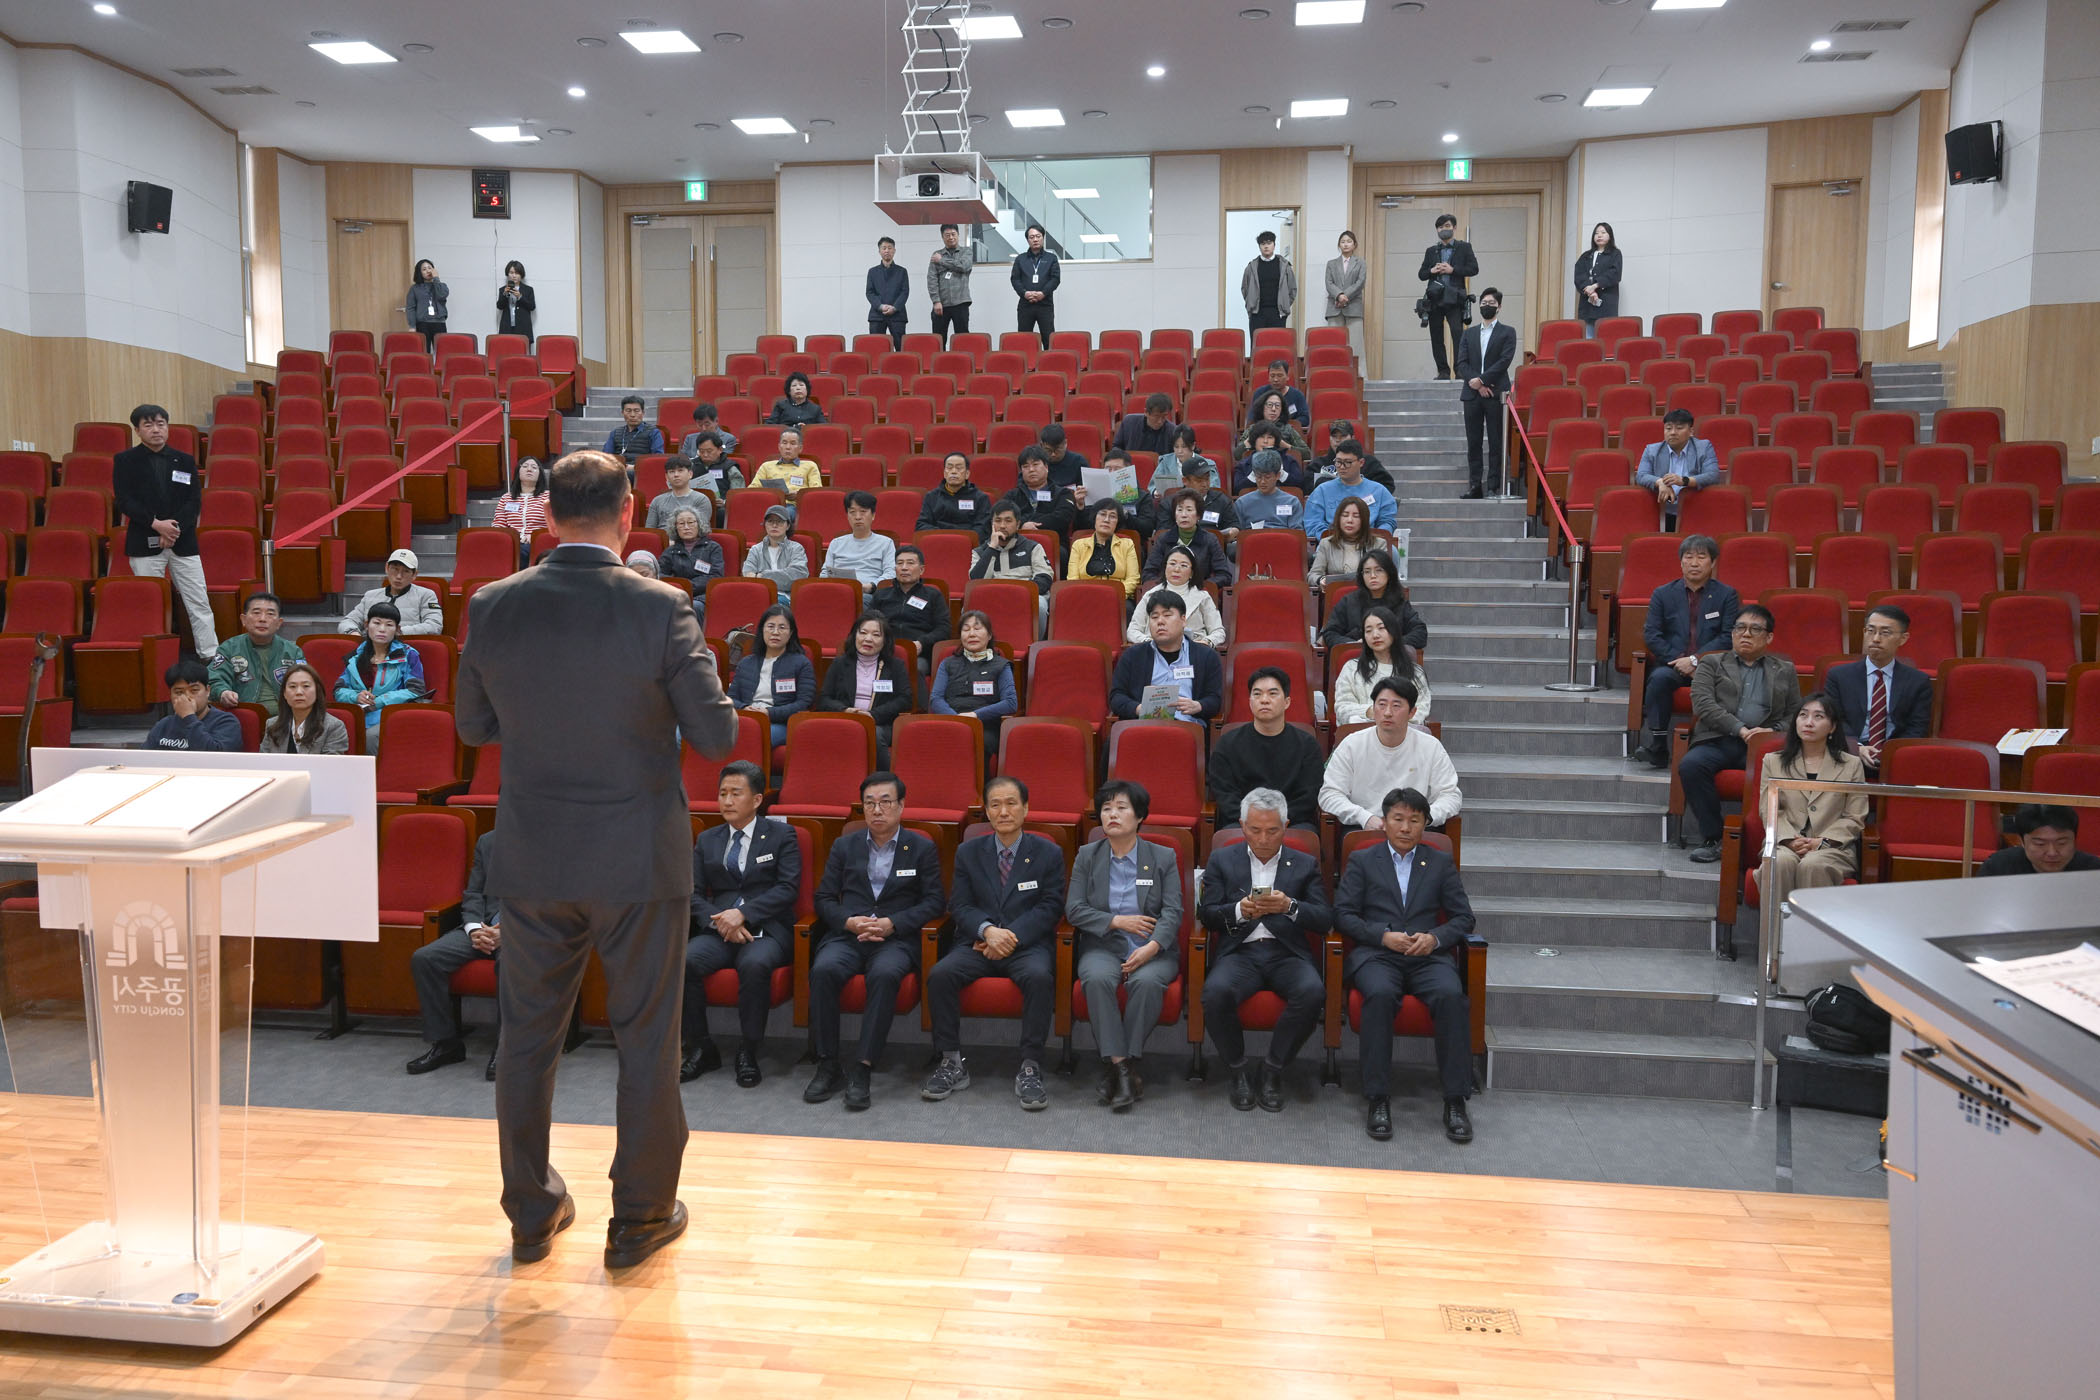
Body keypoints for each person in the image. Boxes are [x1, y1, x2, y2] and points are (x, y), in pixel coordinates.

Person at [455, 448, 738, 1270]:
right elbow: (716, 736)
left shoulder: (492, 603)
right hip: (638, 859)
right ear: (630, 511)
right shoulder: (662, 606)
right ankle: (640, 1218)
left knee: (526, 1040)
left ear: (546, 514)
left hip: (534, 855)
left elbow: (472, 727)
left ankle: (530, 1212)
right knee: (647, 1039)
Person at [1334, 786, 1476, 1143]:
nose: (1405, 827)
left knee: (1450, 996)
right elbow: (1343, 915)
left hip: (1427, 956)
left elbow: (1463, 918)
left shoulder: (1439, 862)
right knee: (1380, 995)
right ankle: (1377, 1098)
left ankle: (1455, 1100)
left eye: (1414, 820)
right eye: (1398, 819)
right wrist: (1382, 936)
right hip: (1378, 954)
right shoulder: (1363, 860)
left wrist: (1435, 938)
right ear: (1384, 822)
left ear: (1425, 824)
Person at [805, 772, 947, 1110]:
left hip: (895, 939)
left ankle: (863, 1067)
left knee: (884, 975)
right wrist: (849, 921)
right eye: (869, 803)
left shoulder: (921, 847)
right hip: (849, 935)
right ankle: (828, 1064)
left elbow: (934, 902)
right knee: (823, 970)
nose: (877, 810)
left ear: (901, 806)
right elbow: (824, 898)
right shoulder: (845, 845)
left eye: (885, 802)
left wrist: (893, 924)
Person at [922, 776, 1066, 1110]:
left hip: (1026, 944)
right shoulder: (969, 852)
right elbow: (959, 905)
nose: (1004, 811)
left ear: (1026, 808)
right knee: (941, 974)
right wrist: (988, 931)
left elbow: (1050, 906)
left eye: (1011, 803)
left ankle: (1030, 1066)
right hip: (978, 942)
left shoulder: (1048, 852)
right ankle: (951, 1061)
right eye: (995, 805)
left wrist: (1009, 936)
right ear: (986, 811)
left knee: (1039, 977)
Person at [1198, 789, 1332, 1111]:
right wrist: (1239, 910)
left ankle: (1273, 1069)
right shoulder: (1222, 859)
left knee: (1312, 992)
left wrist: (1290, 907)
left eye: (1272, 831)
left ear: (1286, 826)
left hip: (1286, 952)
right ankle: (1238, 1070)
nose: (1263, 839)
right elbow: (1207, 915)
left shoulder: (1305, 864)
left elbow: (1324, 918)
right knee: (1215, 993)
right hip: (1240, 952)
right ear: (1242, 825)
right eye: (1255, 830)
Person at [1066, 781, 1183, 1111]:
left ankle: (1117, 1070)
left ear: (1140, 816)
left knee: (1147, 983)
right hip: (1103, 944)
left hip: (1153, 949)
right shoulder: (1088, 856)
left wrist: (1153, 946)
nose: (1112, 815)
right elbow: (1074, 909)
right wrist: (1116, 921)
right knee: (1096, 979)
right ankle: (1123, 1069)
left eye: (1121, 808)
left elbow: (1173, 911)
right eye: (1106, 809)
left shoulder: (1162, 856)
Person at [681, 761, 800, 1088]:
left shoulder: (782, 835)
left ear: (757, 799)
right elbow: (692, 893)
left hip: (767, 929)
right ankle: (701, 1047)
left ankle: (748, 1049)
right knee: (685, 962)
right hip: (719, 928)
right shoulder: (708, 839)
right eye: (722, 794)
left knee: (754, 965)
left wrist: (743, 914)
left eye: (736, 793)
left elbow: (787, 888)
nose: (727, 801)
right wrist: (721, 921)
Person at [1682, 603, 1801, 862]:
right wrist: (1741, 729)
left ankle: (1776, 841)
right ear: (1732, 633)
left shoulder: (1784, 669)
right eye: (1740, 628)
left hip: (1766, 745)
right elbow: (1703, 704)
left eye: (1755, 629)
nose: (1746, 634)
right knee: (1691, 765)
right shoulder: (1712, 662)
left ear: (1769, 637)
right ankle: (1714, 838)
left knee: (1794, 769)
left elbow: (1795, 714)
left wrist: (1770, 731)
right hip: (1719, 740)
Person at [114, 402, 217, 657]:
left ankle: (210, 656)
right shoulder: (125, 461)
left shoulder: (185, 460)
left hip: (183, 541)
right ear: (137, 430)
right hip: (144, 540)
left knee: (199, 601)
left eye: (161, 424)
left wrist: (172, 530)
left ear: (168, 427)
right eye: (148, 425)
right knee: (150, 604)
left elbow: (194, 501)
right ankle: (157, 658)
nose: (156, 430)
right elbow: (125, 501)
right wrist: (156, 525)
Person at [1633, 534, 1739, 769]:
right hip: (1673, 665)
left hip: (1713, 667)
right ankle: (1658, 746)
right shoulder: (1663, 594)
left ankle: (1713, 746)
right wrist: (1680, 661)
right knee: (1658, 679)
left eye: (1701, 557)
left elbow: (1728, 636)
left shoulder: (1727, 595)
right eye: (1688, 557)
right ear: (1681, 562)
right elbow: (1652, 634)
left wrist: (1696, 660)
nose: (1694, 563)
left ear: (1713, 562)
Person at [1758, 692, 1868, 911]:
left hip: (1833, 847)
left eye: (1818, 716)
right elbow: (1768, 809)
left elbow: (1854, 816)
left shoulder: (1851, 765)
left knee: (1813, 864)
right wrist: (1789, 840)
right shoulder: (1773, 761)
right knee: (1780, 862)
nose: (1809, 722)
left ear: (1832, 727)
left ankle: (1810, 933)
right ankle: (1776, 932)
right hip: (1784, 842)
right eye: (1803, 715)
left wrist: (1822, 842)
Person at [408, 829, 502, 1078]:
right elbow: (473, 894)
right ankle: (446, 1044)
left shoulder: (548, 841)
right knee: (426, 959)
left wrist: (510, 930)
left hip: (524, 932)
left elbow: (551, 901)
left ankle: (508, 1048)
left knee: (512, 962)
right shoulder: (488, 841)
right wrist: (474, 929)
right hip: (482, 927)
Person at [1319, 677, 1461, 830]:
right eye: (1381, 705)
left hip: (1416, 830)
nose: (1387, 713)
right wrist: (1364, 817)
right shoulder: (1351, 745)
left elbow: (1450, 795)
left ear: (1412, 712)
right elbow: (1329, 794)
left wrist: (1422, 818)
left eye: (1396, 706)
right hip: (1365, 827)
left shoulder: (1430, 747)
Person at [1208, 666, 1324, 830]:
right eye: (1257, 694)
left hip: (1291, 823)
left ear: (1287, 702)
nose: (1264, 700)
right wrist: (1253, 821)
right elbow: (1224, 794)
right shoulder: (1227, 744)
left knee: (1306, 834)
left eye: (1272, 693)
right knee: (1228, 835)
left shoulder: (1307, 745)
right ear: (1250, 702)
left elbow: (1308, 797)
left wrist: (1277, 821)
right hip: (1242, 823)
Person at [1826, 605, 1934, 776]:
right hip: (1848, 753)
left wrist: (1889, 753)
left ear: (1903, 638)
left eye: (1885, 633)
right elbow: (1835, 720)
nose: (1875, 639)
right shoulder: (1839, 676)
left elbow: (1917, 728)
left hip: (1895, 756)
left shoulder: (1917, 681)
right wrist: (1856, 747)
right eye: (1871, 631)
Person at [1109, 591, 1223, 725]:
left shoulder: (1206, 656)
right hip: (1143, 726)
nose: (1160, 622)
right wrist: (1139, 709)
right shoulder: (1133, 655)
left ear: (1183, 620)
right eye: (1154, 617)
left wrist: (1198, 706)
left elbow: (1214, 699)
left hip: (1186, 726)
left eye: (1167, 615)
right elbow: (1116, 697)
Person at [813, 611, 915, 759]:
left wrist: (873, 715)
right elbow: (824, 699)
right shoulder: (840, 663)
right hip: (845, 720)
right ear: (854, 635)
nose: (868, 639)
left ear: (885, 641)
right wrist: (845, 710)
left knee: (874, 734)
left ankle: (882, 774)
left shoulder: (895, 666)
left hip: (881, 724)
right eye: (863, 633)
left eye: (876, 635)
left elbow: (905, 699)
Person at [1454, 286, 1516, 499]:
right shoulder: (1468, 333)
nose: (1486, 306)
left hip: (1496, 393)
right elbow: (1461, 363)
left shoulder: (1508, 332)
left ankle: (1493, 486)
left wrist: (1483, 380)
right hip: (1472, 394)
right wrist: (1477, 384)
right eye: (1483, 303)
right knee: (1474, 442)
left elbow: (1504, 361)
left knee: (1496, 441)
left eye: (1491, 303)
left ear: (1499, 307)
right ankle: (1475, 485)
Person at [334, 601, 425, 741]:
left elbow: (416, 690)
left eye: (389, 625)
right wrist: (356, 696)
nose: (382, 629)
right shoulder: (355, 656)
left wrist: (381, 701)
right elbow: (339, 690)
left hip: (391, 714)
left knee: (371, 736)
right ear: (366, 625)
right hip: (359, 714)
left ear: (397, 629)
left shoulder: (408, 655)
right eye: (376, 623)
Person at [929, 609, 1018, 750]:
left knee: (977, 741)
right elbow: (936, 699)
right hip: (951, 722)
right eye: (966, 630)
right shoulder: (947, 663)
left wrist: (975, 715)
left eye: (977, 629)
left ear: (989, 635)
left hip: (985, 725)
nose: (971, 634)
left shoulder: (1001, 665)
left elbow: (1010, 703)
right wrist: (956, 719)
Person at [728, 604, 814, 747]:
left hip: (780, 723)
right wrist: (745, 708)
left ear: (791, 633)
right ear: (762, 630)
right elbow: (731, 698)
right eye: (770, 626)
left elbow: (803, 703)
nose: (775, 632)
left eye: (782, 627)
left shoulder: (801, 663)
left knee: (755, 737)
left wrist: (769, 713)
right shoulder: (746, 663)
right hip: (746, 718)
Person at [1334, 606, 1434, 726]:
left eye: (1381, 628)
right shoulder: (1351, 668)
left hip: (1403, 733)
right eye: (1368, 630)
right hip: (1361, 733)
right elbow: (1342, 709)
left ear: (1394, 631)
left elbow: (1421, 710)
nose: (1375, 635)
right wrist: (1371, 711)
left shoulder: (1415, 672)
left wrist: (1390, 720)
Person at [209, 591, 303, 715]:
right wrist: (223, 692)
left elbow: (305, 682)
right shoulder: (229, 648)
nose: (262, 619)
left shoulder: (293, 651)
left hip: (286, 716)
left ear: (279, 623)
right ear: (243, 619)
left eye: (270, 614)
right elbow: (214, 678)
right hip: (244, 715)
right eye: (256, 613)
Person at [1318, 549, 1425, 653]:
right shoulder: (1348, 601)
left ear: (1389, 573)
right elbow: (1330, 633)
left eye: (1379, 570)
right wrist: (1353, 645)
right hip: (1356, 657)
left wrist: (1390, 643)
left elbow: (1420, 632)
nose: (1373, 576)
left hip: (1391, 658)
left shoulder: (1399, 602)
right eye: (1367, 571)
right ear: (1362, 575)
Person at [1635, 410, 1722, 526]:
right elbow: (1641, 476)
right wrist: (1660, 482)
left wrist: (1684, 480)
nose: (1673, 433)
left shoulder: (1703, 447)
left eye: (1679, 428)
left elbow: (1713, 475)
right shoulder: (1652, 450)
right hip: (1663, 511)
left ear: (1691, 431)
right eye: (1668, 428)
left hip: (1696, 510)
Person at [1417, 214, 1477, 380]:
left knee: (1458, 334)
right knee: (1436, 336)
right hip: (1434, 299)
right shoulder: (1431, 251)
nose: (1444, 229)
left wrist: (1453, 270)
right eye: (1441, 227)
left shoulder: (1464, 247)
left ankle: (1460, 370)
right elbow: (1421, 274)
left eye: (1448, 226)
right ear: (1437, 230)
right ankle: (1443, 371)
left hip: (1455, 298)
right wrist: (1431, 271)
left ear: (1454, 228)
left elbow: (1474, 269)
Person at [1302, 440, 1397, 541]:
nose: (1342, 467)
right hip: (1332, 542)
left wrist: (1374, 539)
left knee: (1391, 550)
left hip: (1370, 542)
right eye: (1338, 462)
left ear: (1361, 462)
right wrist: (1330, 538)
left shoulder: (1379, 491)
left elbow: (1388, 521)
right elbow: (1313, 523)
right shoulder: (1322, 491)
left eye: (1348, 462)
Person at [1129, 548, 1224, 648]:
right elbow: (1133, 630)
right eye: (1172, 564)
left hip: (1193, 649)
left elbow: (1218, 631)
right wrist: (1148, 641)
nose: (1176, 569)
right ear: (1165, 567)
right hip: (1155, 649)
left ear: (1192, 572)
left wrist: (1206, 642)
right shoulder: (1150, 595)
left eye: (1183, 565)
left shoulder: (1202, 597)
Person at [340, 548, 444, 637]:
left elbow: (434, 626)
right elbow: (347, 621)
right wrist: (353, 632)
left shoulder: (426, 595)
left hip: (406, 647)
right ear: (387, 568)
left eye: (406, 571)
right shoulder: (370, 596)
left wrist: (397, 632)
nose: (399, 576)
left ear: (414, 574)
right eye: (395, 569)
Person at [869, 545, 952, 656]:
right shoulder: (881, 595)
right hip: (884, 650)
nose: (904, 568)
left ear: (921, 569)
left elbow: (944, 629)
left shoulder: (933, 595)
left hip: (919, 652)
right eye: (900, 563)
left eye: (910, 563)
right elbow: (867, 623)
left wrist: (922, 643)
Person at [143, 658, 241, 752]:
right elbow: (144, 757)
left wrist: (188, 717)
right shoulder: (164, 725)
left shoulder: (226, 722)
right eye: (179, 692)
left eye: (194, 690)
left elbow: (214, 757)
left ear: (207, 691)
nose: (187, 697)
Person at [1141, 491, 1233, 589]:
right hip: (1167, 592)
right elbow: (1148, 573)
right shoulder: (1163, 539)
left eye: (1189, 510)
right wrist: (1167, 586)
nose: (1184, 515)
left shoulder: (1209, 540)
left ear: (1198, 515)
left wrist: (1199, 587)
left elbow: (1224, 575)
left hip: (1198, 591)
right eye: (1179, 510)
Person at [260, 661, 350, 755]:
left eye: (306, 686)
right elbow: (263, 761)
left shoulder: (333, 727)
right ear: (284, 693)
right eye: (292, 686)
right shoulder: (272, 725)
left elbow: (329, 763)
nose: (299, 692)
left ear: (317, 691)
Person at [1079, 447, 1163, 547]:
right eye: (1108, 469)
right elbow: (1082, 526)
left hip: (1129, 545)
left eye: (1117, 469)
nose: (1111, 473)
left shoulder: (1143, 497)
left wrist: (1125, 514)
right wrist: (1080, 507)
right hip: (1097, 543)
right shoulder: (1094, 493)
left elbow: (1147, 529)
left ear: (1128, 471)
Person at [1980, 806, 2100, 876]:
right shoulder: (1998, 868)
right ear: (2022, 841)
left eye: (2061, 843)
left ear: (2074, 840)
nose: (2052, 853)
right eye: (2040, 844)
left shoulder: (2094, 871)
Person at [972, 501, 1056, 598]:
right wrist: (991, 548)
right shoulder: (979, 552)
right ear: (992, 524)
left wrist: (1017, 593)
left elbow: (1045, 578)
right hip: (993, 597)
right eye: (998, 521)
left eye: (1008, 521)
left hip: (1027, 597)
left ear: (1017, 524)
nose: (1002, 526)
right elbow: (975, 582)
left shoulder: (1033, 548)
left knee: (1040, 603)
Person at [819, 490, 898, 587]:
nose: (857, 517)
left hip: (871, 592)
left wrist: (871, 586)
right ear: (847, 516)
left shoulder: (886, 543)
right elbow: (825, 573)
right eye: (852, 512)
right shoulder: (836, 543)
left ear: (873, 515)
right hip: (838, 590)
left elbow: (890, 574)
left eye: (863, 511)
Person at [1067, 499, 1143, 598]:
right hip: (1086, 596)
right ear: (1095, 517)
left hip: (1117, 597)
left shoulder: (1127, 544)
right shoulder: (1078, 545)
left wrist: (1112, 596)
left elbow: (1133, 579)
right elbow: (1073, 579)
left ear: (1117, 522)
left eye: (1112, 516)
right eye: (1102, 514)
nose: (1106, 520)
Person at [916, 451, 995, 538]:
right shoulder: (931, 497)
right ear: (944, 473)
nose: (953, 471)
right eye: (949, 468)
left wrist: (962, 539)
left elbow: (983, 528)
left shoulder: (981, 498)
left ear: (967, 474)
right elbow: (922, 525)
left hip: (968, 543)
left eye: (959, 468)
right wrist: (943, 536)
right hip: (938, 541)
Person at [1171, 456, 1244, 544]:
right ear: (1185, 481)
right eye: (1199, 480)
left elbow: (1234, 525)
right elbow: (1163, 532)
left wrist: (1233, 531)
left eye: (1207, 478)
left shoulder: (1221, 500)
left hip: (1215, 545)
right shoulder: (1172, 502)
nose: (1205, 484)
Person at [494, 457, 551, 564]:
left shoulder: (548, 497)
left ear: (540, 474)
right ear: (518, 472)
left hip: (537, 542)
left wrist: (536, 536)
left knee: (519, 553)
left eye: (534, 467)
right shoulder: (507, 498)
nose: (529, 469)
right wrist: (510, 539)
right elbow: (499, 524)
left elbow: (555, 524)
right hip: (512, 542)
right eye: (525, 466)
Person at [742, 504, 808, 597]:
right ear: (765, 525)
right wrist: (780, 577)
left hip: (787, 598)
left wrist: (762, 576)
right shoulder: (755, 550)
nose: (774, 525)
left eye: (779, 522)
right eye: (770, 521)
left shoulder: (796, 548)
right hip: (760, 596)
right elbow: (748, 576)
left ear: (788, 526)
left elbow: (797, 576)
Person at [1310, 496, 1376, 589]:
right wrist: (1321, 580)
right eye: (1345, 515)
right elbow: (1313, 575)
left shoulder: (1377, 544)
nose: (1350, 520)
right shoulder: (1326, 544)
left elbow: (1383, 574)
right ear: (1338, 518)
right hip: (1336, 594)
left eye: (1356, 516)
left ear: (1364, 520)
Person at [1240, 231, 1297, 336]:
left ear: (1274, 245)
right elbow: (1245, 288)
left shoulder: (1284, 266)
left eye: (1269, 243)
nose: (1266, 246)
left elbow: (1292, 289)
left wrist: (1284, 304)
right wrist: (1251, 304)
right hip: (1257, 314)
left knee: (1277, 343)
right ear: (1259, 246)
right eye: (1263, 244)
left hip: (1278, 313)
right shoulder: (1251, 267)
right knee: (1257, 343)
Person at [1011, 223, 1060, 347]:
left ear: (1043, 237)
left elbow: (1055, 279)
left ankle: (1049, 360)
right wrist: (1024, 293)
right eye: (1031, 237)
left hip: (1045, 304)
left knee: (1049, 340)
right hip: (1025, 304)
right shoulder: (1020, 259)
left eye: (1038, 236)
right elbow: (1015, 279)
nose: (1035, 239)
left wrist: (1043, 293)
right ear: (1028, 240)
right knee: (1024, 340)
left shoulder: (1051, 258)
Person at [1313, 419, 1395, 491]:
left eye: (1343, 436)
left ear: (1352, 438)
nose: (1338, 440)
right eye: (1334, 436)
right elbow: (1309, 488)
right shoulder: (1317, 464)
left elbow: (1387, 485)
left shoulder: (1369, 462)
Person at [1323, 230, 1368, 362]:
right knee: (1334, 345)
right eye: (1343, 242)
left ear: (1354, 245)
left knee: (1356, 346)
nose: (1346, 244)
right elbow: (1329, 283)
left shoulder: (1361, 263)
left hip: (1354, 308)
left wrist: (1344, 296)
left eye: (1349, 241)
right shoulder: (1331, 264)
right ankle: (1334, 372)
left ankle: (1360, 374)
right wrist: (1339, 295)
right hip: (1334, 309)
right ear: (1339, 245)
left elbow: (1360, 282)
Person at [927, 222, 975, 342]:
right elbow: (932, 279)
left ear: (958, 235)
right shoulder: (936, 254)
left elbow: (963, 266)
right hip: (941, 304)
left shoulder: (966, 252)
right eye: (947, 235)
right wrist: (936, 301)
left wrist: (942, 261)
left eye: (953, 234)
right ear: (942, 237)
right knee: (938, 339)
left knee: (962, 339)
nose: (951, 237)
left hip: (961, 302)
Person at [1232, 451, 1301, 534]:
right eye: (1258, 477)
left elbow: (1296, 534)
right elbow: (1239, 534)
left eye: (1267, 477)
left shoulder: (1291, 502)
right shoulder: (1242, 503)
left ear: (1278, 476)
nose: (1262, 481)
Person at [1573, 222, 1622, 337]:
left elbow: (1615, 273)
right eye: (1596, 233)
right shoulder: (1585, 256)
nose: (1599, 235)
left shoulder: (1615, 254)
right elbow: (1579, 274)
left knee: (1606, 339)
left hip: (1606, 304)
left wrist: (1595, 286)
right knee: (1588, 340)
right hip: (1587, 304)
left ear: (1610, 236)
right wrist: (1589, 290)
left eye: (1603, 232)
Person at [657, 507, 725, 588]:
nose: (686, 527)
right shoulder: (671, 551)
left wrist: (688, 586)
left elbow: (716, 575)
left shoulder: (713, 548)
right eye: (681, 523)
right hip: (678, 592)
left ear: (699, 524)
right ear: (675, 527)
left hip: (704, 593)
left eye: (690, 522)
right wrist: (678, 586)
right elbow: (660, 574)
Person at [750, 428, 822, 499]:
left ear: (800, 448)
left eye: (793, 443)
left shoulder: (810, 466)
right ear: (779, 447)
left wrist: (799, 495)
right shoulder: (766, 466)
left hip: (796, 504)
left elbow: (815, 493)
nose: (788, 447)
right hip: (770, 503)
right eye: (784, 443)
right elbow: (752, 490)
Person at [645, 455, 711, 531]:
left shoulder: (701, 500)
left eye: (680, 470)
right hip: (661, 537)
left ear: (690, 474)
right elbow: (650, 530)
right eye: (672, 471)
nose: (676, 475)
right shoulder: (657, 501)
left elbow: (701, 530)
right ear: (666, 477)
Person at [865, 235, 909, 349]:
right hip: (877, 315)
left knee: (900, 348)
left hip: (897, 314)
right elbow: (870, 293)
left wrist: (894, 307)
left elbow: (904, 292)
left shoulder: (902, 271)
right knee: (876, 348)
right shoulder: (872, 272)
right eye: (884, 248)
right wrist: (880, 306)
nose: (887, 251)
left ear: (894, 250)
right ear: (879, 251)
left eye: (890, 248)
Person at [1149, 425, 1217, 497]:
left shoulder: (1207, 465)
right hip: (1170, 501)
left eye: (1184, 447)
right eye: (1176, 447)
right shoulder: (1165, 462)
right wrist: (1156, 492)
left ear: (1193, 445)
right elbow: (1152, 487)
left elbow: (1214, 490)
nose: (1179, 451)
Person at [1112, 393, 1179, 457]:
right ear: (1146, 412)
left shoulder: (1173, 431)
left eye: (1164, 416)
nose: (1160, 421)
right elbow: (1117, 447)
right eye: (1156, 416)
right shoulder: (1129, 422)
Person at [602, 394, 664, 461]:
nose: (632, 415)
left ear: (643, 412)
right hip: (619, 466)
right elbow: (606, 456)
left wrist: (635, 466)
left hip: (641, 467)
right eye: (628, 411)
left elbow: (657, 458)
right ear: (622, 413)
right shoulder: (615, 433)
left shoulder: (653, 432)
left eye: (636, 411)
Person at [1253, 358, 1312, 428]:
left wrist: (1284, 425)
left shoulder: (1297, 395)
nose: (1275, 379)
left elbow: (1305, 419)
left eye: (1279, 376)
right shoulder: (1260, 393)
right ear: (1268, 377)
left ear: (1287, 377)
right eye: (1272, 376)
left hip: (1290, 430)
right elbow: (1253, 417)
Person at [408, 258, 448, 354]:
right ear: (420, 272)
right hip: (422, 324)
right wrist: (412, 326)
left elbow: (442, 295)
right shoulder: (414, 288)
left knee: (442, 353)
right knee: (424, 353)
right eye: (424, 269)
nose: (428, 271)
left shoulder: (441, 286)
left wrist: (436, 279)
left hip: (439, 323)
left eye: (430, 268)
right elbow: (410, 307)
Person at [1038, 423, 1089, 495]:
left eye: (1057, 450)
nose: (1053, 454)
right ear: (1041, 445)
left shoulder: (1079, 462)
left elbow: (1086, 491)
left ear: (1065, 443)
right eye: (1048, 450)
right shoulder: (1035, 463)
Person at [497, 260, 536, 345]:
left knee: (523, 352)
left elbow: (532, 307)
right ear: (507, 274)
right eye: (511, 273)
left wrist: (520, 297)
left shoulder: (528, 290)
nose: (514, 276)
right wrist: (505, 294)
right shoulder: (503, 289)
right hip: (507, 328)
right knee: (506, 351)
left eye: (517, 273)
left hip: (523, 328)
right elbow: (499, 306)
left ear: (521, 275)